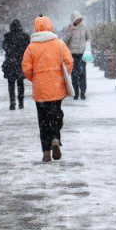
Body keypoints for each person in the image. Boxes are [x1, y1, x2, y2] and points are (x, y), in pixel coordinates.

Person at [21, 16, 73, 163]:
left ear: (36, 28)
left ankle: (45, 152)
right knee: (56, 115)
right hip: (56, 87)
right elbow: (69, 62)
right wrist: (63, 75)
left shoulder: (31, 47)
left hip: (40, 90)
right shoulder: (59, 44)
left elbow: (26, 68)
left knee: (43, 120)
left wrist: (35, 78)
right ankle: (55, 138)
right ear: (50, 26)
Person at [63, 11, 91, 100]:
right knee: (74, 74)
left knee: (82, 73)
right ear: (73, 20)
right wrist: (70, 33)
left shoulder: (85, 28)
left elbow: (89, 39)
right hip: (72, 55)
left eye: (79, 19)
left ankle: (83, 92)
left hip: (82, 54)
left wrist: (87, 47)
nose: (78, 21)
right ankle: (75, 92)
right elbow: (64, 42)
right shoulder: (69, 28)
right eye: (77, 20)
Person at [2, 19, 29, 110]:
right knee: (20, 83)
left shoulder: (8, 36)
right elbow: (28, 49)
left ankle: (12, 101)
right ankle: (21, 102)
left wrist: (10, 52)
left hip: (10, 63)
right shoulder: (25, 37)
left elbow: (4, 47)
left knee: (11, 83)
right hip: (21, 63)